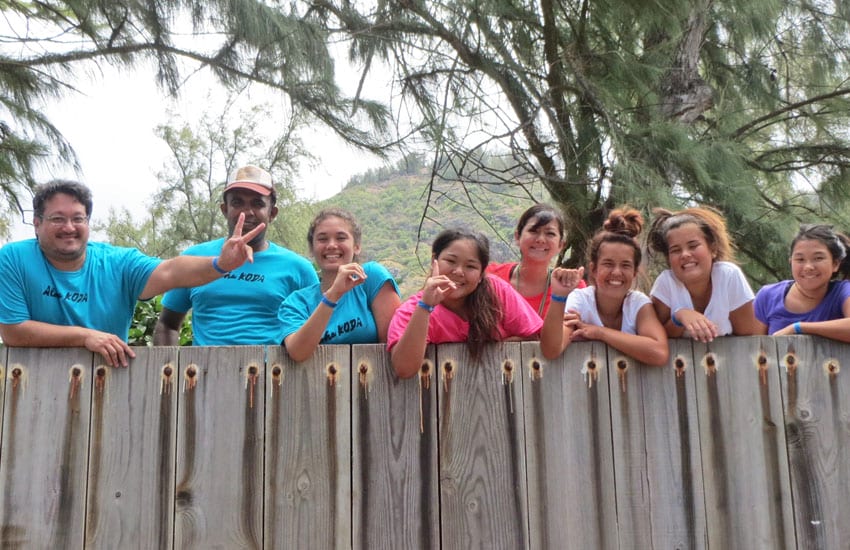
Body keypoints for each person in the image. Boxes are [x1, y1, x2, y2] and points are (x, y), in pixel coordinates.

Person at [0, 179, 264, 367]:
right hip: (29, 383)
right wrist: (86, 336)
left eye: (78, 218)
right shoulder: (13, 258)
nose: (69, 227)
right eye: (58, 218)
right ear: (37, 224)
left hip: (105, 382)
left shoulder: (118, 262)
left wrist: (221, 264)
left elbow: (170, 271)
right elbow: (14, 331)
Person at [153, 165, 318, 346]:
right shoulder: (194, 259)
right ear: (224, 210)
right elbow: (167, 325)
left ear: (272, 213)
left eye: (258, 203)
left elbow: (319, 329)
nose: (246, 212)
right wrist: (171, 370)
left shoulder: (298, 268)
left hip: (272, 373)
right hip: (205, 373)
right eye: (237, 203)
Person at [388, 228, 584, 379]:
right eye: (450, 261)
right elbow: (404, 369)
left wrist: (501, 346)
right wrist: (425, 308)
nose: (459, 271)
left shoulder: (496, 292)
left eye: (471, 266)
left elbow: (537, 338)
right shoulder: (412, 310)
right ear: (434, 261)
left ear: (482, 274)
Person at [277, 208, 401, 361]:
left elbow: (394, 344)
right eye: (322, 239)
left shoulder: (371, 278)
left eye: (341, 238)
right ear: (312, 248)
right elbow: (298, 352)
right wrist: (332, 296)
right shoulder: (296, 303)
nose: (331, 245)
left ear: (356, 246)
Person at [563, 208, 668, 365]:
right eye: (608, 264)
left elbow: (659, 353)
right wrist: (558, 297)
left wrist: (600, 333)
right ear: (593, 269)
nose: (617, 272)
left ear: (634, 272)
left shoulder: (638, 303)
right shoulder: (579, 299)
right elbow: (554, 347)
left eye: (626, 265)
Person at [647, 206, 760, 342]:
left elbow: (747, 335)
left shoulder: (728, 275)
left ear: (712, 249)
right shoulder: (666, 283)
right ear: (668, 258)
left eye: (693, 246)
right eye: (676, 250)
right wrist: (679, 317)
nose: (685, 254)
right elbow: (655, 338)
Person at [754, 224, 850, 342]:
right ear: (791, 262)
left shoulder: (843, 292)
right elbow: (752, 347)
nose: (808, 267)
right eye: (800, 259)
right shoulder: (768, 296)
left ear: (835, 264)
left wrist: (798, 328)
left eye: (818, 258)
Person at [487, 203, 586, 317]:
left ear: (561, 245)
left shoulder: (572, 286)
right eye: (534, 231)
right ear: (517, 237)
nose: (540, 239)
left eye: (550, 233)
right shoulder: (490, 277)